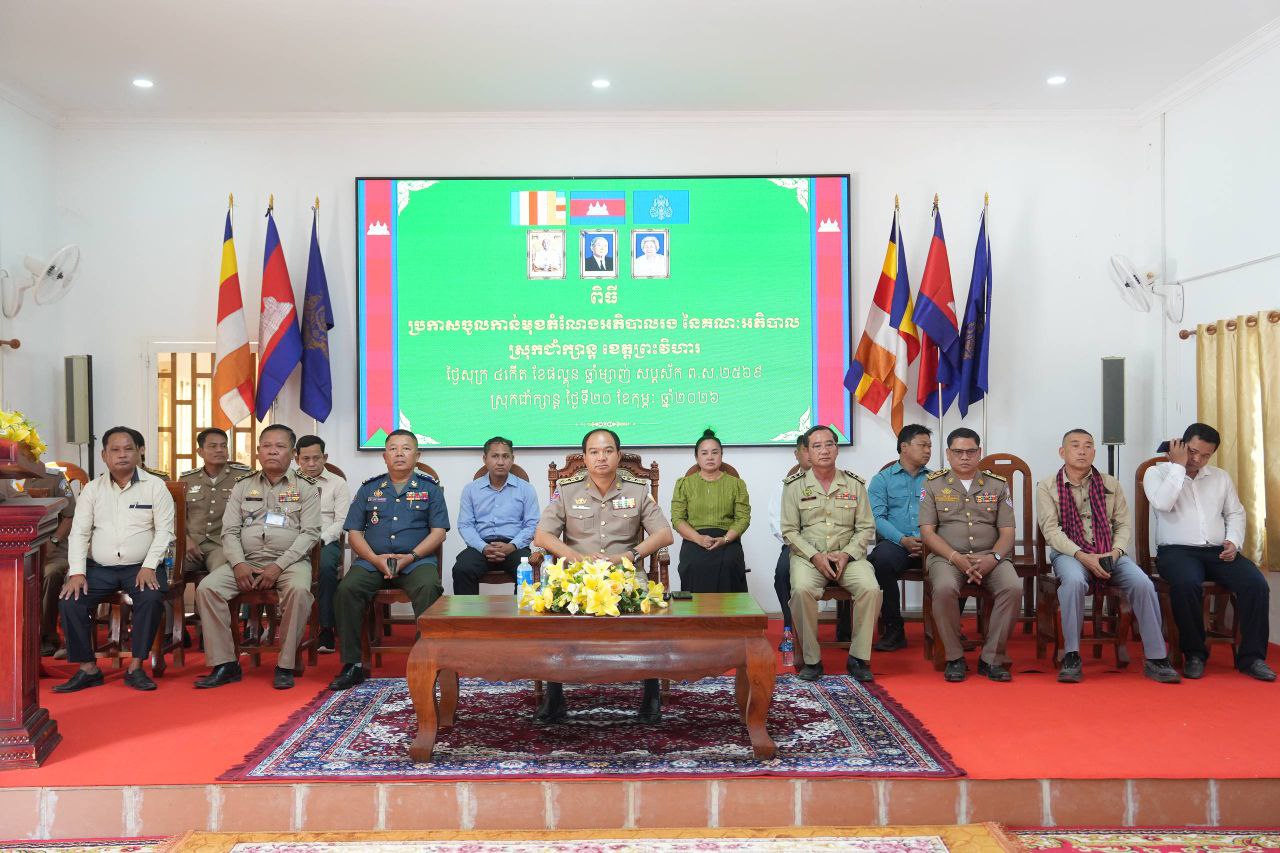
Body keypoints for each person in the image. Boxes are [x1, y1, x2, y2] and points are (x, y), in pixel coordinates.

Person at [532, 428, 674, 723]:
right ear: (584, 458)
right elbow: (542, 536)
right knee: (553, 615)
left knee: (647, 614)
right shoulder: (567, 490)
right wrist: (576, 558)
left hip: (625, 576)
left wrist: (630, 556)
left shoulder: (637, 490)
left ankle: (651, 694)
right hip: (577, 576)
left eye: (608, 451)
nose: (601, 457)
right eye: (594, 452)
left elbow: (664, 534)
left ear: (618, 456)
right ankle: (554, 696)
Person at [1037, 429, 1180, 683]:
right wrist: (1082, 556)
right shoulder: (1047, 486)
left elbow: (1122, 525)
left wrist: (1115, 552)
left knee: (1143, 583)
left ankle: (1157, 658)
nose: (1082, 451)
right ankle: (1072, 655)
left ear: (1094, 452)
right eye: (1075, 445)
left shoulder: (1110, 484)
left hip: (1109, 551)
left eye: (1088, 446)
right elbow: (1051, 531)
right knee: (1073, 582)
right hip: (1070, 554)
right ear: (1062, 452)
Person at [1143, 423, 1274, 681]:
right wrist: (1178, 466)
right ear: (1181, 445)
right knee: (1187, 583)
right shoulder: (1156, 473)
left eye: (1206, 455)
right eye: (1192, 452)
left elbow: (1235, 512)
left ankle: (1253, 658)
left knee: (1256, 584)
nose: (1197, 460)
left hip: (1217, 551)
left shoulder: (1220, 477)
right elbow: (1163, 503)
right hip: (1176, 551)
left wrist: (1233, 541)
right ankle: (1194, 654)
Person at [194, 425, 320, 690]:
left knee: (299, 591)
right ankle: (226, 664)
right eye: (267, 446)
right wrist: (238, 564)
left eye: (280, 446)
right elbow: (229, 531)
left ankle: (285, 664)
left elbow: (310, 534)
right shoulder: (243, 485)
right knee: (208, 589)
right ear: (258, 451)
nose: (272, 451)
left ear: (293, 454)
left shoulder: (306, 487)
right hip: (247, 559)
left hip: (290, 562)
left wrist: (278, 566)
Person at [54, 427, 175, 692]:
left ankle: (136, 667)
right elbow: (79, 533)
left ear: (139, 452)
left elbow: (165, 531)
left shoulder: (155, 486)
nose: (122, 455)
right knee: (70, 599)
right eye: (115, 450)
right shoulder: (92, 490)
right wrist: (77, 572)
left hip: (142, 567)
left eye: (128, 449)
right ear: (104, 455)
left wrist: (149, 566)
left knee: (150, 598)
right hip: (100, 568)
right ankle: (88, 668)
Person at [328, 429, 449, 691]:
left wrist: (410, 557)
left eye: (406, 448)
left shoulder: (430, 489)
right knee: (347, 590)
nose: (399, 454)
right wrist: (374, 559)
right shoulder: (369, 489)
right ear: (384, 456)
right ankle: (353, 664)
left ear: (417, 455)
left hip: (416, 561)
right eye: (393, 449)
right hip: (373, 561)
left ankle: (426, 660)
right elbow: (354, 533)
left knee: (429, 587)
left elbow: (438, 532)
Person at [919, 427, 1019, 683]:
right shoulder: (933, 484)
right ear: (948, 454)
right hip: (947, 558)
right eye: (958, 452)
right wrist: (955, 557)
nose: (964, 457)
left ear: (979, 452)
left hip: (991, 557)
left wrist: (993, 559)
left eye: (970, 451)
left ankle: (991, 658)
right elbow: (928, 533)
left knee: (1012, 587)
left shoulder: (997, 484)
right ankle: (955, 657)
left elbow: (1008, 532)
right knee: (943, 588)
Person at [781, 425, 879, 683]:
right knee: (801, 590)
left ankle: (858, 657)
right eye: (817, 446)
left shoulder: (854, 484)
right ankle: (812, 660)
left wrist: (847, 554)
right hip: (809, 558)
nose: (824, 450)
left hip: (848, 557)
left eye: (829, 444)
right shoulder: (794, 486)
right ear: (807, 453)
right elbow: (789, 531)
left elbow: (866, 527)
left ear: (836, 449)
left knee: (870, 588)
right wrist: (815, 556)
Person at [867, 424, 932, 652]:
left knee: (957, 559)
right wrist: (903, 539)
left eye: (930, 446)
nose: (928, 451)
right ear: (904, 447)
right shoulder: (882, 480)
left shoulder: (936, 480)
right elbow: (877, 518)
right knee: (881, 561)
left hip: (931, 543)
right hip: (897, 544)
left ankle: (947, 628)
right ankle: (894, 629)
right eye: (923, 445)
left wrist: (929, 540)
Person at [452, 436, 539, 595]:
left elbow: (532, 525)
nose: (500, 462)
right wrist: (483, 547)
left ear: (512, 459)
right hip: (481, 547)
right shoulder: (471, 490)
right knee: (462, 569)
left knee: (529, 571)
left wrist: (512, 546)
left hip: (515, 547)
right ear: (485, 459)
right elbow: (465, 525)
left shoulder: (526, 489)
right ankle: (468, 612)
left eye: (505, 456)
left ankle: (520, 612)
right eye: (495, 456)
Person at [671, 429, 750, 592]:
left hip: (727, 539)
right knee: (693, 564)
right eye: (704, 453)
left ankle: (730, 611)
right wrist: (698, 539)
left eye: (715, 452)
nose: (710, 457)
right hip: (694, 538)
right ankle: (696, 610)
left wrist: (725, 539)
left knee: (729, 563)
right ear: (696, 457)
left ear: (721, 455)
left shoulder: (736, 484)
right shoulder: (684, 484)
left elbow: (743, 518)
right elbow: (677, 519)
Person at [294, 435, 350, 654]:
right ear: (296, 459)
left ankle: (326, 629)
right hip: (291, 540)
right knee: (258, 560)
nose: (311, 464)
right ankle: (254, 627)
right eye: (305, 459)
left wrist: (320, 540)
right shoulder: (287, 482)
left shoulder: (338, 484)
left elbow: (342, 521)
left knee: (326, 569)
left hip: (325, 541)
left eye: (316, 458)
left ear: (325, 457)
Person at [179, 428, 250, 581]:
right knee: (167, 572)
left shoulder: (243, 477)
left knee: (221, 577)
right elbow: (175, 515)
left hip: (222, 545)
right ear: (200, 452)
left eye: (223, 446)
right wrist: (185, 540)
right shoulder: (187, 479)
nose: (219, 450)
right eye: (213, 446)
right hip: (190, 543)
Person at [24, 467, 76, 657]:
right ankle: (20, 636)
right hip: (22, 547)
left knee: (50, 573)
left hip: (54, 547)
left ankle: (47, 637)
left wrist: (53, 540)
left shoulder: (54, 477)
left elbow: (70, 515)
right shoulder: (8, 477)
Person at [768, 435, 810, 649]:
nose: (813, 453)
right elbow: (777, 522)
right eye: (807, 449)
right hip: (796, 545)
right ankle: (789, 628)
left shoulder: (840, 482)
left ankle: (845, 629)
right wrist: (799, 544)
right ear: (797, 454)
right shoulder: (785, 486)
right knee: (782, 573)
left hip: (831, 545)